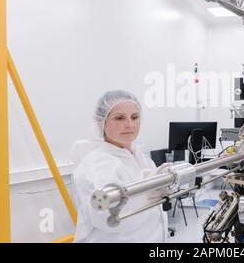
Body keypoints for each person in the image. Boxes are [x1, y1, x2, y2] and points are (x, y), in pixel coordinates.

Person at [71, 90, 171, 243]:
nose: (129, 124)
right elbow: (106, 218)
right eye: (119, 118)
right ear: (100, 122)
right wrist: (146, 194)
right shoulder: (96, 165)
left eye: (134, 117)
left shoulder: (140, 158)